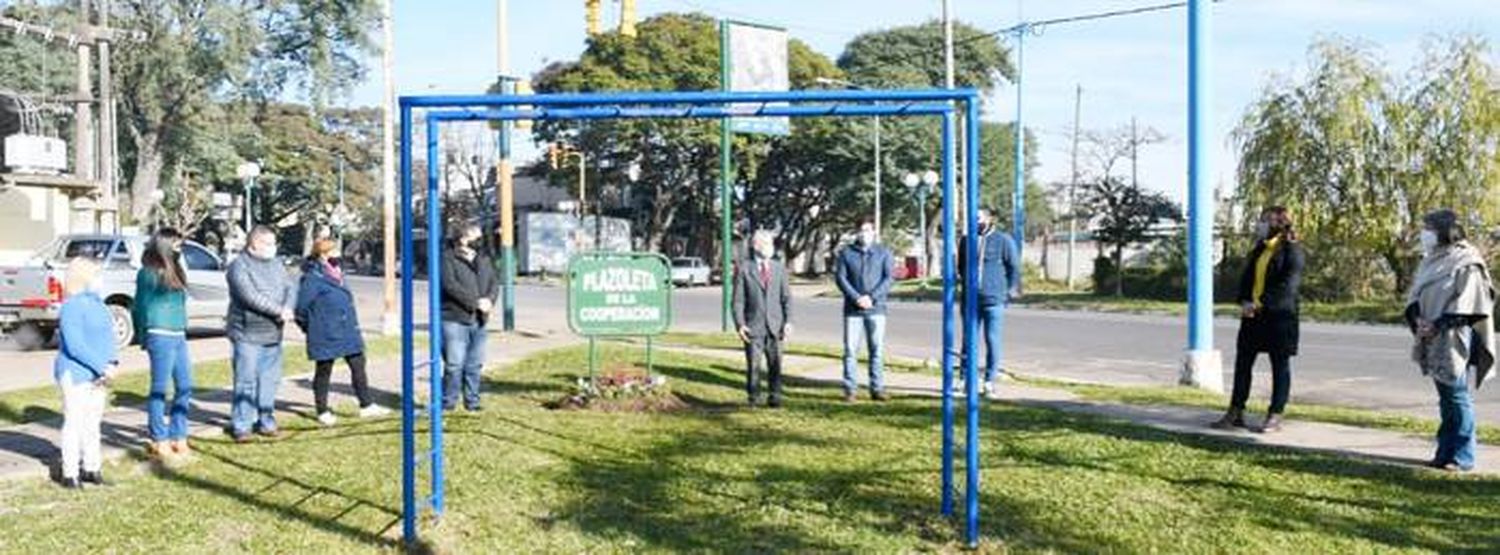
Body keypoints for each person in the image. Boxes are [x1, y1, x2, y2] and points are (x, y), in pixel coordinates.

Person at [1405, 209, 1494, 472]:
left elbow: (1471, 303)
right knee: (1445, 397)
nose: (1425, 233)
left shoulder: (1467, 260)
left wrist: (1439, 324)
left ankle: (1463, 456)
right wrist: (1418, 319)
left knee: (1457, 396)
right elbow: (1415, 294)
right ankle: (1444, 452)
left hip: (1456, 335)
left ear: (1444, 230)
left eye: (1429, 228)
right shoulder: (1430, 260)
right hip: (1429, 333)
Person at [1212, 206, 1306, 434]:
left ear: (1277, 223)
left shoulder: (1292, 250)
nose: (1259, 225)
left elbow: (1288, 286)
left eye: (1265, 221)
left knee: (1279, 366)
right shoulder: (1259, 249)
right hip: (1253, 317)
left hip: (1279, 317)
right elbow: (1247, 280)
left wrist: (1260, 302)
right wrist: (1244, 301)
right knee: (1243, 363)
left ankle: (1275, 414)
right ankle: (1235, 411)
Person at [296, 238, 390, 426]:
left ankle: (366, 404)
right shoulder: (312, 277)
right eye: (333, 251)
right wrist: (311, 328)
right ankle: (322, 410)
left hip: (346, 329)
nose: (337, 254)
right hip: (325, 331)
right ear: (323, 254)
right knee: (324, 369)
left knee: (358, 364)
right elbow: (301, 309)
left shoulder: (338, 272)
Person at [226, 225, 296, 442]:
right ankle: (242, 426)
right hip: (247, 334)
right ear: (255, 243)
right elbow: (249, 296)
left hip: (273, 333)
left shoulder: (276, 265)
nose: (273, 248)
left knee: (270, 380)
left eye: (274, 243)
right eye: (269, 243)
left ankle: (266, 421)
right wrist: (279, 310)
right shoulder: (239, 266)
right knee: (245, 382)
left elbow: (290, 287)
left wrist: (288, 307)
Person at [54, 258, 117, 488]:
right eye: (96, 275)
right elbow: (75, 345)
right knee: (74, 422)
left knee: (93, 423)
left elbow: (109, 337)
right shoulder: (71, 306)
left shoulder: (99, 304)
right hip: (76, 373)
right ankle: (70, 472)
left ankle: (92, 467)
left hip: (98, 374)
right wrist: (101, 366)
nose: (100, 280)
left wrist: (112, 362)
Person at [134, 227, 193, 458]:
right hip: (159, 333)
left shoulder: (176, 269)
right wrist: (143, 336)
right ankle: (159, 437)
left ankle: (179, 434)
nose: (180, 248)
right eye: (176, 244)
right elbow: (140, 305)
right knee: (160, 388)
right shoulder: (148, 273)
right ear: (165, 245)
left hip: (178, 333)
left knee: (185, 385)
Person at [956, 208, 1021, 397]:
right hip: (970, 300)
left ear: (988, 219)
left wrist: (1008, 290)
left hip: (994, 300)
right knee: (968, 341)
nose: (976, 222)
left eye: (979, 219)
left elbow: (1014, 267)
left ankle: (990, 381)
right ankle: (965, 379)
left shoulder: (1003, 240)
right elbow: (961, 267)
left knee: (992, 340)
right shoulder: (967, 241)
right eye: (973, 219)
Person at [834, 218, 894, 402]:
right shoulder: (846, 253)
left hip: (877, 309)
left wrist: (871, 297)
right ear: (856, 232)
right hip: (853, 310)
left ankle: (877, 388)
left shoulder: (884, 252)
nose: (864, 233)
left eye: (868, 230)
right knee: (851, 351)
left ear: (874, 232)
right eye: (861, 230)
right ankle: (850, 388)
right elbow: (841, 278)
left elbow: (888, 278)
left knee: (876, 350)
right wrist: (856, 297)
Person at [441, 223, 499, 412]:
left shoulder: (483, 258)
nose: (480, 241)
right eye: (476, 236)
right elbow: (450, 285)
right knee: (454, 364)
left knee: (474, 364)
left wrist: (489, 301)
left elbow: (494, 282)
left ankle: (472, 403)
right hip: (454, 318)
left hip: (480, 319)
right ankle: (448, 403)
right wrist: (475, 302)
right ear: (463, 238)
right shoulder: (447, 258)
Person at [733, 229, 793, 408]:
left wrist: (788, 321)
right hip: (753, 326)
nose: (770, 247)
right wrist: (740, 324)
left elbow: (786, 298)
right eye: (766, 243)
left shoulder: (778, 268)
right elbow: (737, 300)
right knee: (754, 365)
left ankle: (775, 396)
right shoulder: (745, 268)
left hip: (776, 325)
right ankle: (753, 397)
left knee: (776, 364)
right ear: (755, 245)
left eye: (771, 243)